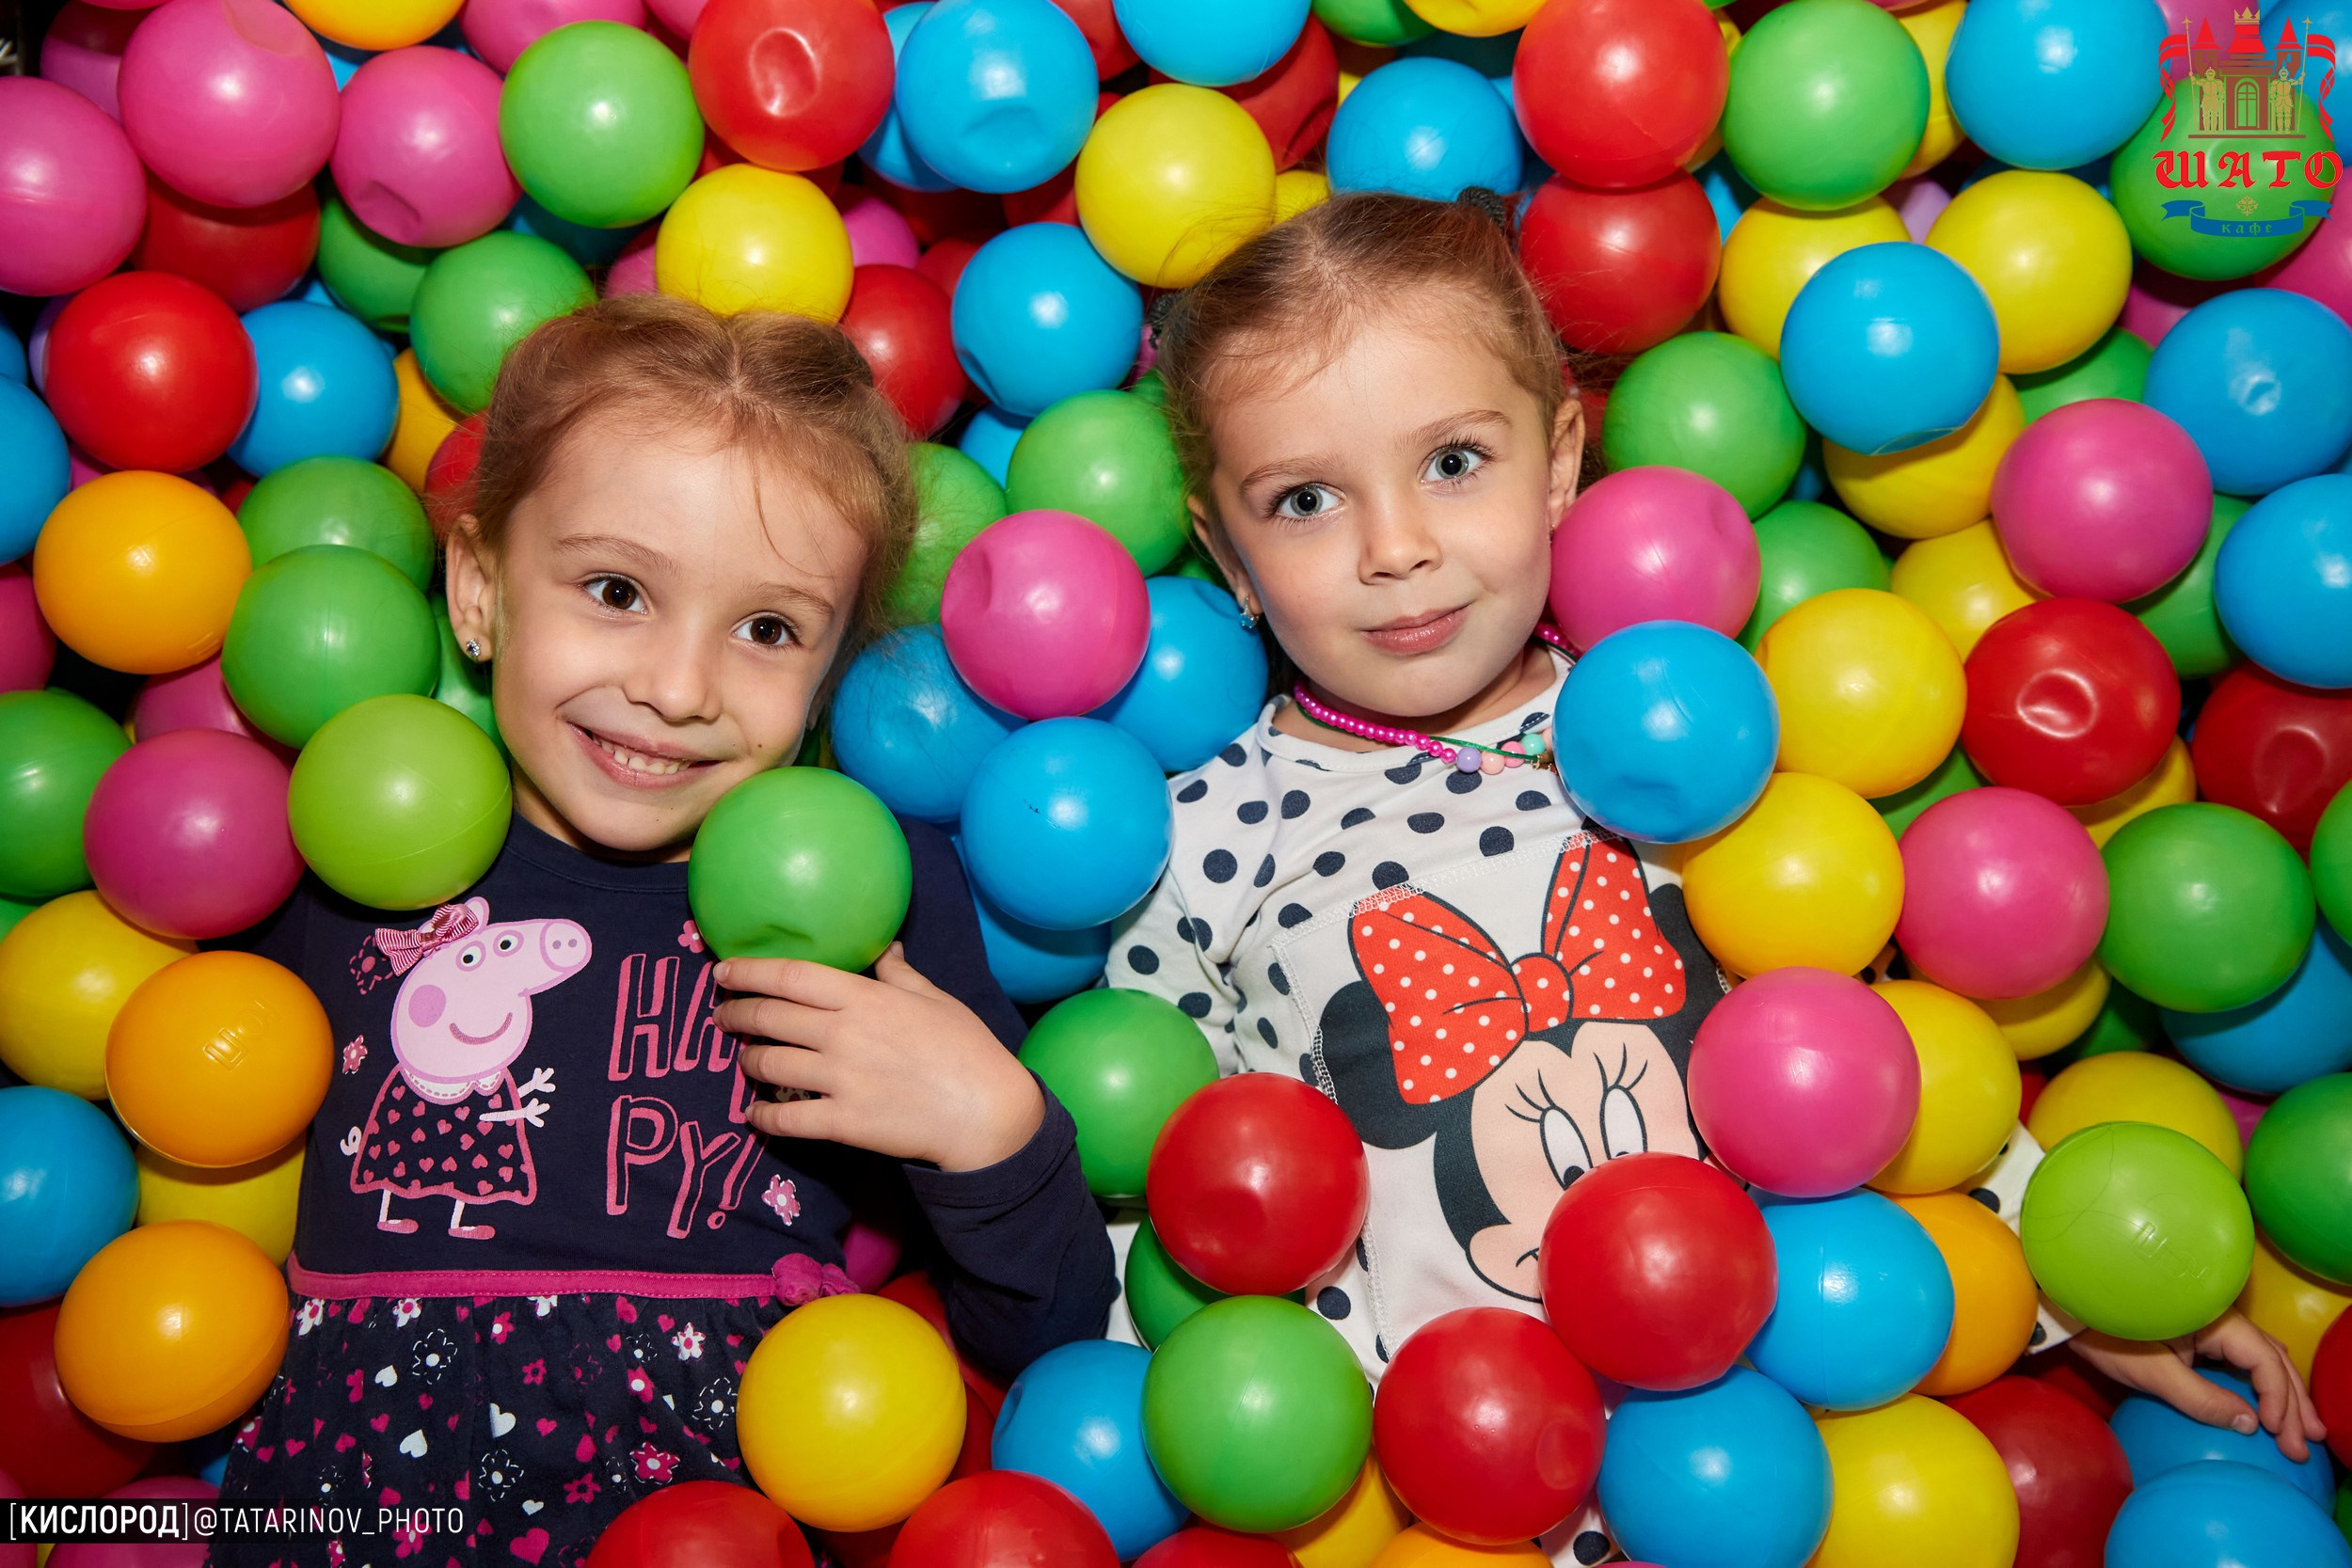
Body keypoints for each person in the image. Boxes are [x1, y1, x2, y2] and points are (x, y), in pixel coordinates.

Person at [1109, 190, 2321, 1555]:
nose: (1397, 548)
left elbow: (1866, 1057)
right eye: (1307, 500)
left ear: (1559, 458)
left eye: (1454, 462)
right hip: (1465, 1490)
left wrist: (2093, 1282)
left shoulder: (1679, 735)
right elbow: (1159, 1200)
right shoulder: (1198, 838)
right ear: (1228, 554)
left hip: (1808, 1448)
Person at [211, 294, 1116, 1567]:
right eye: (618, 589)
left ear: (829, 674)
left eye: (766, 629)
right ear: (479, 590)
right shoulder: (352, 859)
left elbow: (1048, 1344)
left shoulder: (874, 899)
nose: (677, 689)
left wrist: (994, 1132)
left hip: (718, 1499)